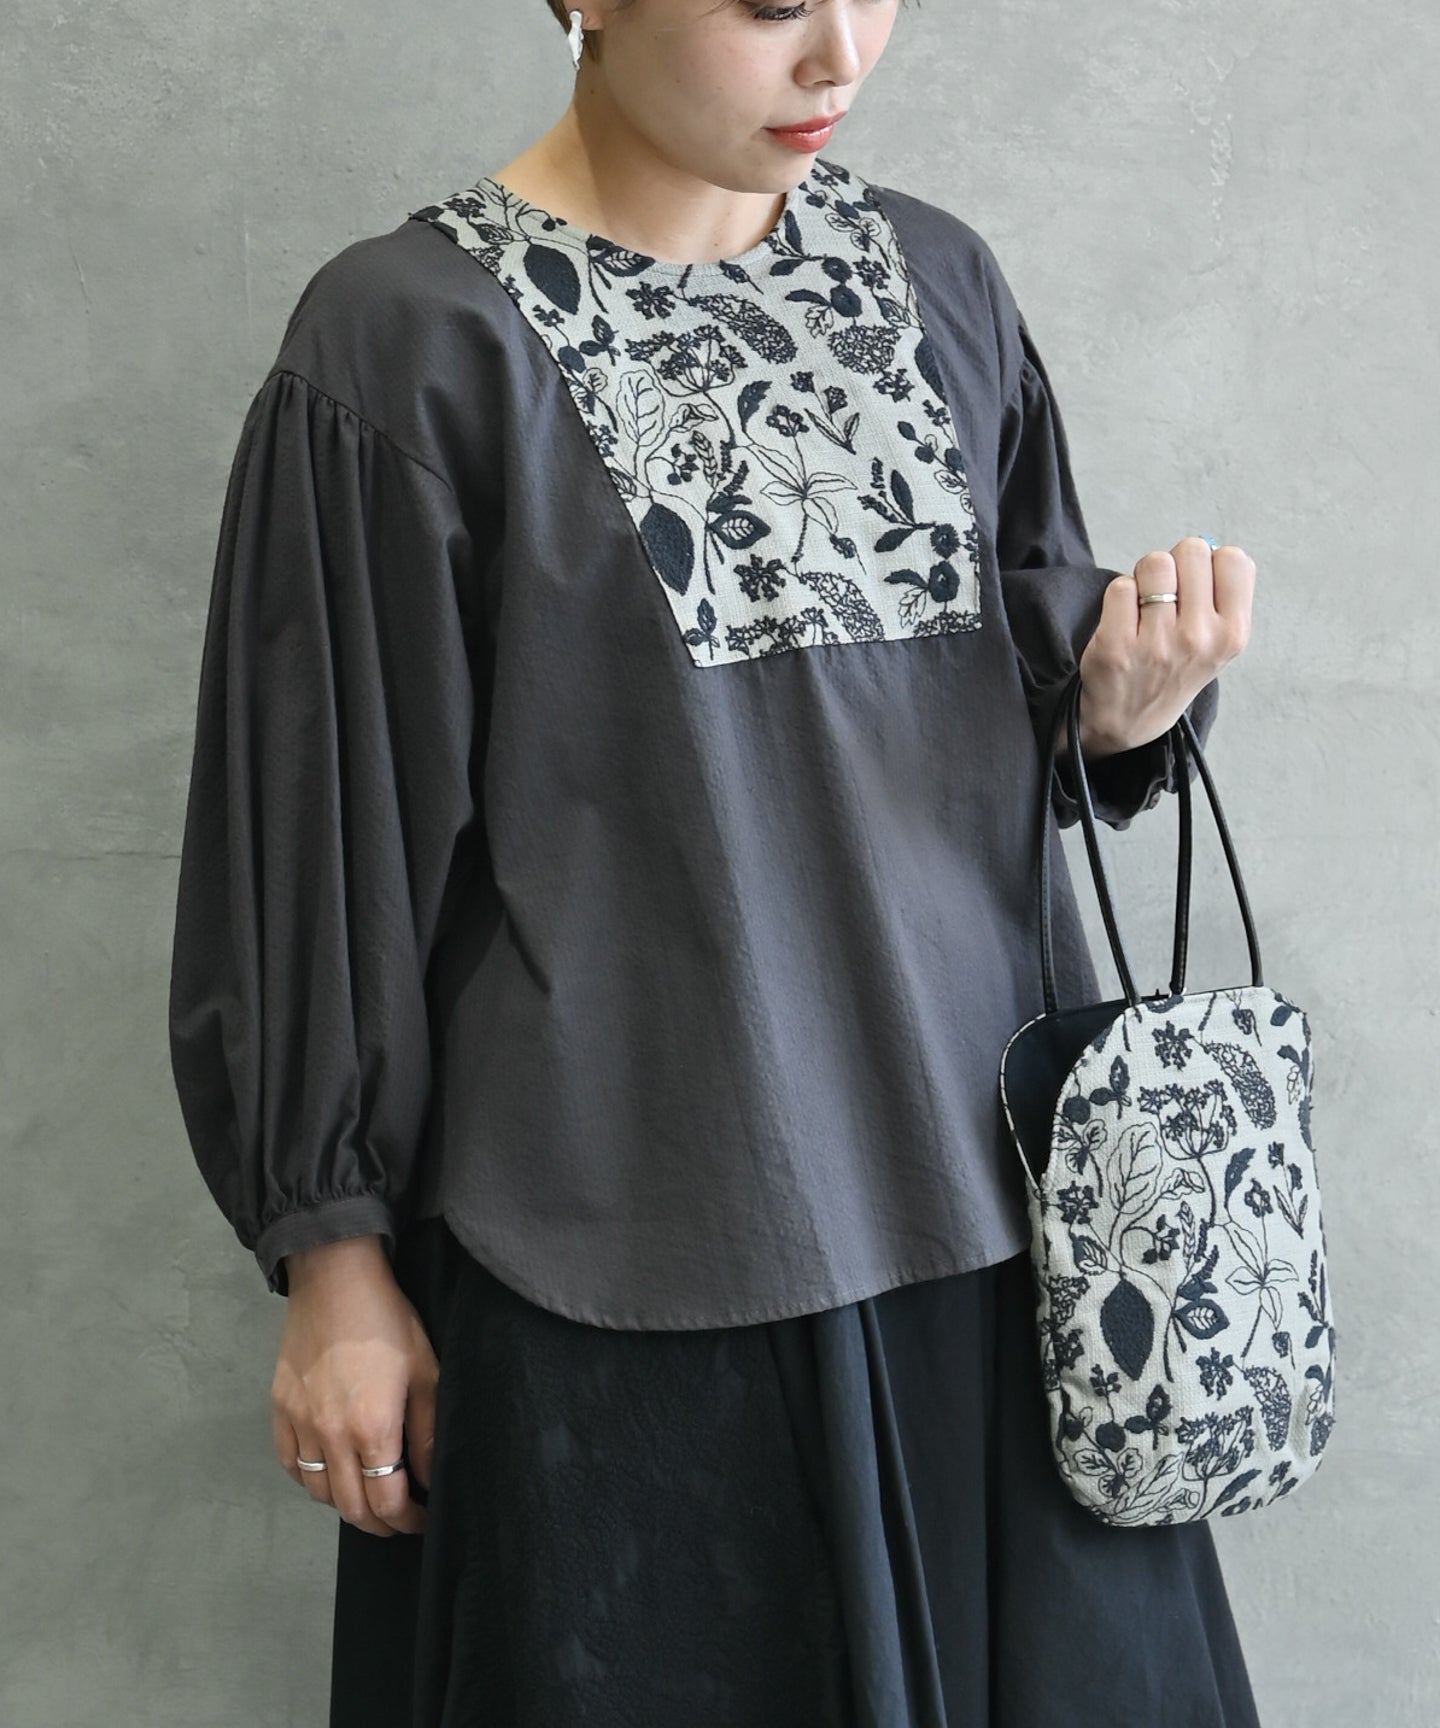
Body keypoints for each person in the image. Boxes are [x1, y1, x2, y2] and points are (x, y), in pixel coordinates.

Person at [167, 1, 1263, 1722]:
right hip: (624, 1259)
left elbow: (1001, 700)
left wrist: (1124, 709)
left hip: (1009, 1242)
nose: (841, 55)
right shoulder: (409, 343)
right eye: (767, 4)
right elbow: (321, 844)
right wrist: (336, 1265)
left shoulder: (938, 282)